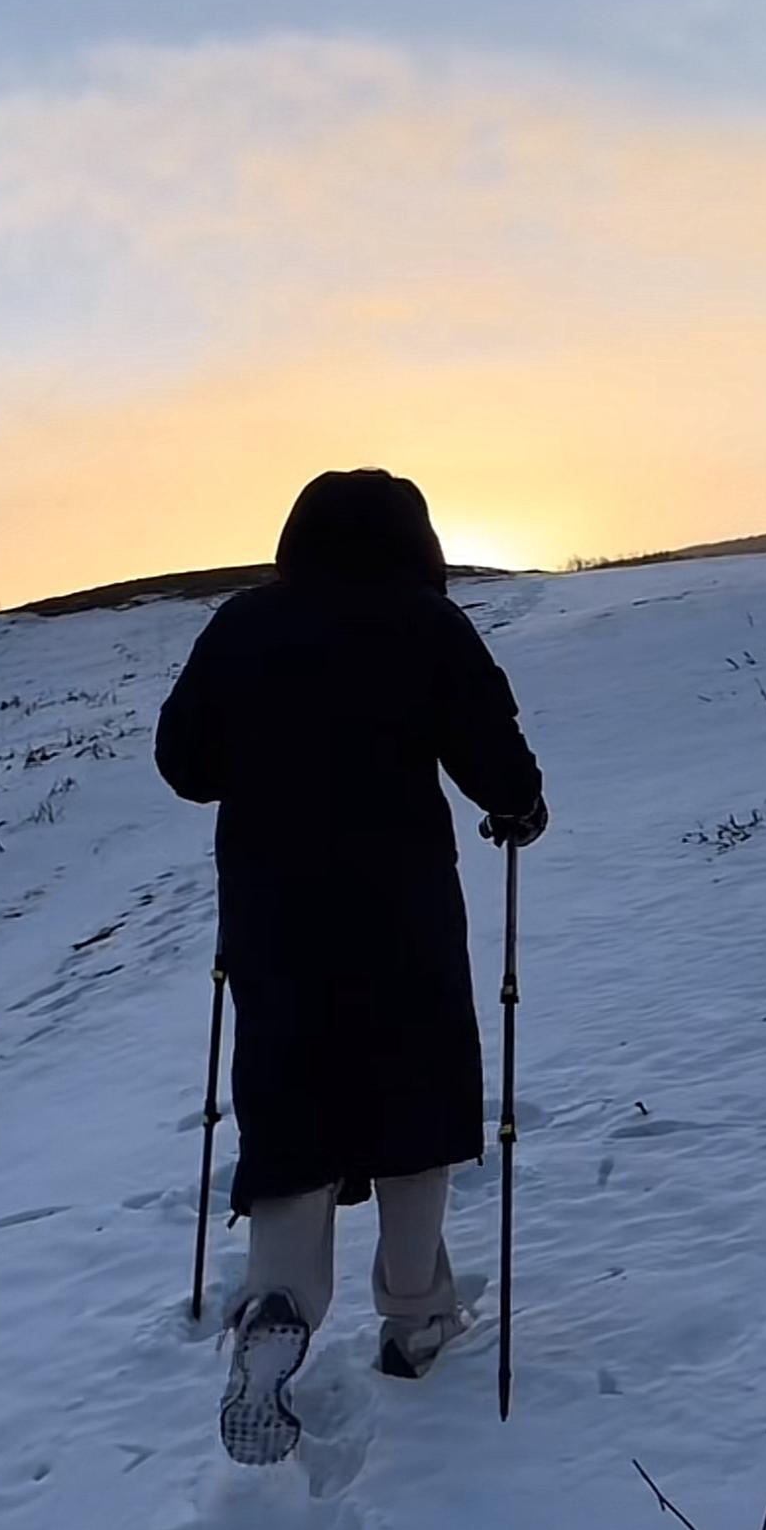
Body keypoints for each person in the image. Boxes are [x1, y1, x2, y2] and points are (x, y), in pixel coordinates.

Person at [154, 468, 547, 1464]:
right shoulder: (423, 624)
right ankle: (414, 1314)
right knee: (414, 1101)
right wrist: (516, 806)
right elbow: (489, 748)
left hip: (274, 910)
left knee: (291, 1102)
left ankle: (274, 1304)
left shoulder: (244, 624)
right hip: (401, 906)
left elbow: (186, 764)